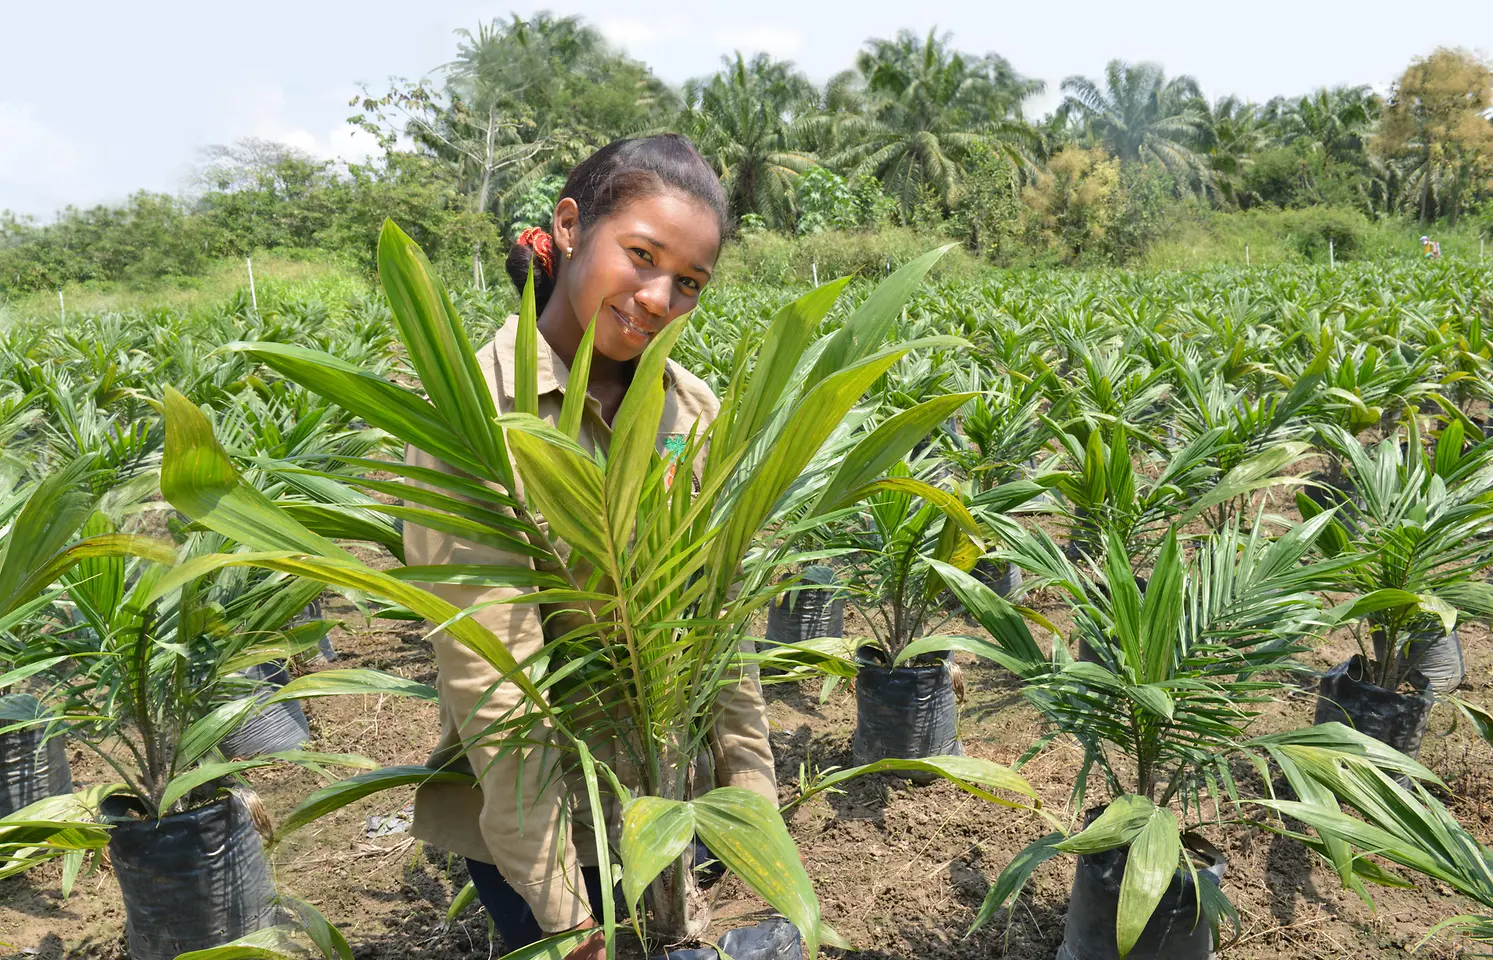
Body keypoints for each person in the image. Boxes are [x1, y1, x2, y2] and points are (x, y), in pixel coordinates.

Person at [401, 135, 789, 960]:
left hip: (663, 800)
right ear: (570, 226)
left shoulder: (690, 409)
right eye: (641, 256)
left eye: (688, 284)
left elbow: (721, 624)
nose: (657, 299)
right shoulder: (476, 418)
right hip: (548, 827)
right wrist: (566, 917)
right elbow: (494, 685)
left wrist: (749, 791)